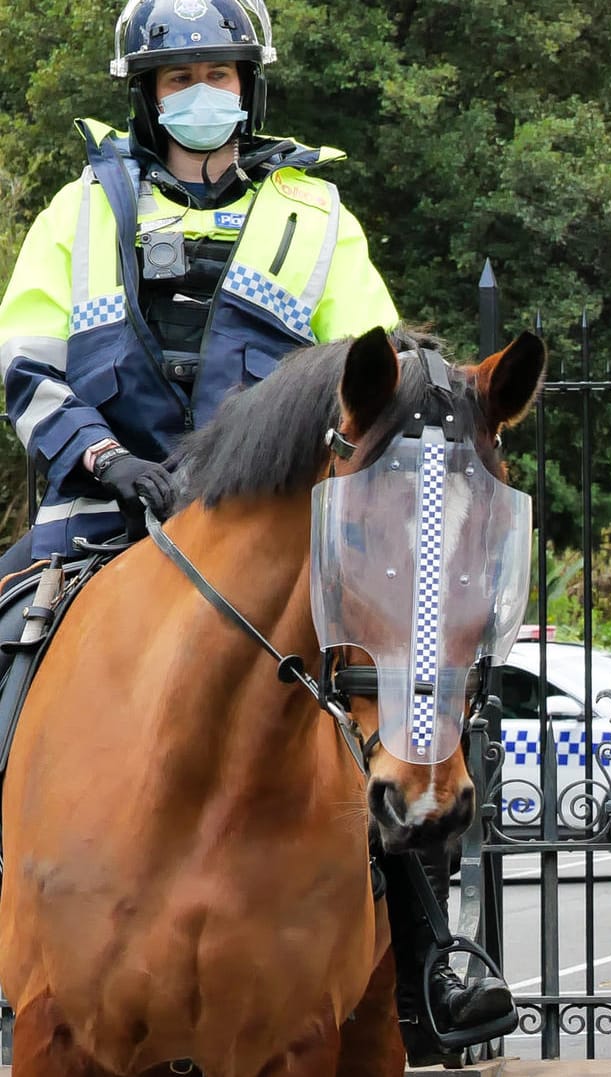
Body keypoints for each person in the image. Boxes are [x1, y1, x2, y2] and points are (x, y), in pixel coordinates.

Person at [0, 0, 508, 1060]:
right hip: (101, 513)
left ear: (249, 86)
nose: (201, 92)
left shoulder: (319, 215)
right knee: (4, 677)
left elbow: (386, 375)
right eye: (179, 74)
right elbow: (26, 366)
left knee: (405, 698)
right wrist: (107, 460)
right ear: (145, 93)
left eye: (221, 74)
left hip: (272, 531)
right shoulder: (77, 212)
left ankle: (433, 957)